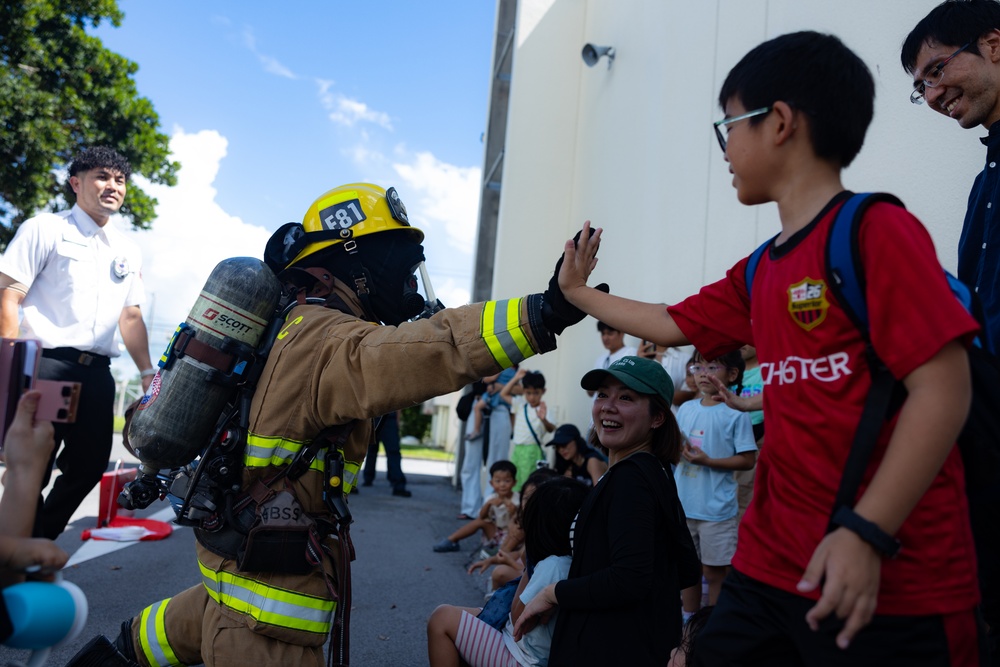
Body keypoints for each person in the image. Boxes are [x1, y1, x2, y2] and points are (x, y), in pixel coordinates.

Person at [555, 32, 984, 665]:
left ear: (779, 122)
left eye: (729, 125)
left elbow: (945, 389)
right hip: (770, 565)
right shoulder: (759, 272)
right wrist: (575, 291)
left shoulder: (876, 231)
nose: (725, 148)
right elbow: (670, 320)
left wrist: (867, 533)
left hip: (895, 582)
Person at [66, 183, 594, 667]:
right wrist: (546, 311)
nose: (409, 281)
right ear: (356, 261)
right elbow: (437, 348)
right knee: (220, 619)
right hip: (269, 630)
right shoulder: (329, 339)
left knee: (191, 621)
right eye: (400, 263)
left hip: (236, 581)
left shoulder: (289, 326)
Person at [0, 146, 155, 540]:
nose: (112, 186)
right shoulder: (45, 228)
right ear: (76, 183)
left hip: (97, 373)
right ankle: (18, 554)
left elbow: (131, 317)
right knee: (32, 465)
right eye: (102, 176)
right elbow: (8, 296)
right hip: (46, 366)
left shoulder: (127, 249)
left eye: (119, 180)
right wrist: (8, 363)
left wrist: (147, 372)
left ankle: (35, 542)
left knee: (88, 467)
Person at [514, 356, 699, 665]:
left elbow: (630, 578)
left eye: (626, 397)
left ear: (657, 418)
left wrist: (552, 593)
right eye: (602, 394)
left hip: (613, 649)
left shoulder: (631, 480)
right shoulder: (655, 470)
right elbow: (686, 567)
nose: (608, 406)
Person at [902, 0, 1000, 351]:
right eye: (921, 87)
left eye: (936, 71)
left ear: (992, 45)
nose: (931, 96)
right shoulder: (983, 186)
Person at [427, 476, 591, 667]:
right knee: (456, 619)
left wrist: (529, 564)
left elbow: (517, 615)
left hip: (522, 657)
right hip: (521, 647)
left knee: (442, 618)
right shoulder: (570, 561)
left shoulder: (553, 566)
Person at [675, 350, 756, 616]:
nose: (703, 374)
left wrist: (709, 462)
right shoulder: (685, 408)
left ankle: (711, 624)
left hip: (717, 511)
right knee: (688, 571)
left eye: (712, 367)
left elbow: (747, 460)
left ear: (732, 374)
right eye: (698, 368)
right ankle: (688, 622)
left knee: (714, 571)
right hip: (684, 507)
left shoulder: (737, 411)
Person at [468, 468, 561, 593]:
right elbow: (517, 554)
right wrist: (492, 560)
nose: (530, 503)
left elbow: (531, 573)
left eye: (535, 498)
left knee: (500, 572)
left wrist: (508, 562)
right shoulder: (525, 520)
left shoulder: (544, 533)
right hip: (522, 573)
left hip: (537, 585)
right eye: (526, 498)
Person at [434, 460, 519, 553]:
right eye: (498, 481)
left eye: (507, 481)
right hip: (496, 533)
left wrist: (514, 512)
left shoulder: (518, 499)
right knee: (479, 521)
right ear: (491, 483)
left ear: (514, 482)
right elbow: (482, 517)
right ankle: (451, 540)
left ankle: (502, 550)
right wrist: (488, 505)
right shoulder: (491, 498)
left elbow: (520, 522)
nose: (502, 485)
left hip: (513, 536)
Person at [501, 368, 555, 491]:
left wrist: (543, 419)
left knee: (528, 486)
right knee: (514, 483)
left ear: (543, 391)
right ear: (524, 391)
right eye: (528, 393)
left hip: (532, 450)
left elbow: (551, 429)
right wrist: (516, 378)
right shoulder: (520, 405)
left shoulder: (544, 410)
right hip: (517, 449)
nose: (531, 397)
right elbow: (503, 394)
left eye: (536, 393)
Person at [361, 410, 411, 497]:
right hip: (385, 415)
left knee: (375, 450)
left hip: (377, 414)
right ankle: (397, 484)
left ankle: (368, 478)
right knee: (392, 452)